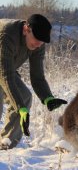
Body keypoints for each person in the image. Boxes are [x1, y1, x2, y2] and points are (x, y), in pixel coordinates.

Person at [0, 14, 67, 150]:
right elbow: (6, 76)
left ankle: (6, 146)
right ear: (26, 29)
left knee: (24, 97)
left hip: (6, 69)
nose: (38, 45)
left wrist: (47, 97)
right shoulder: (6, 35)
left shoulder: (38, 44)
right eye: (36, 40)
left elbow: (37, 77)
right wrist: (20, 108)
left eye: (41, 42)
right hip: (3, 69)